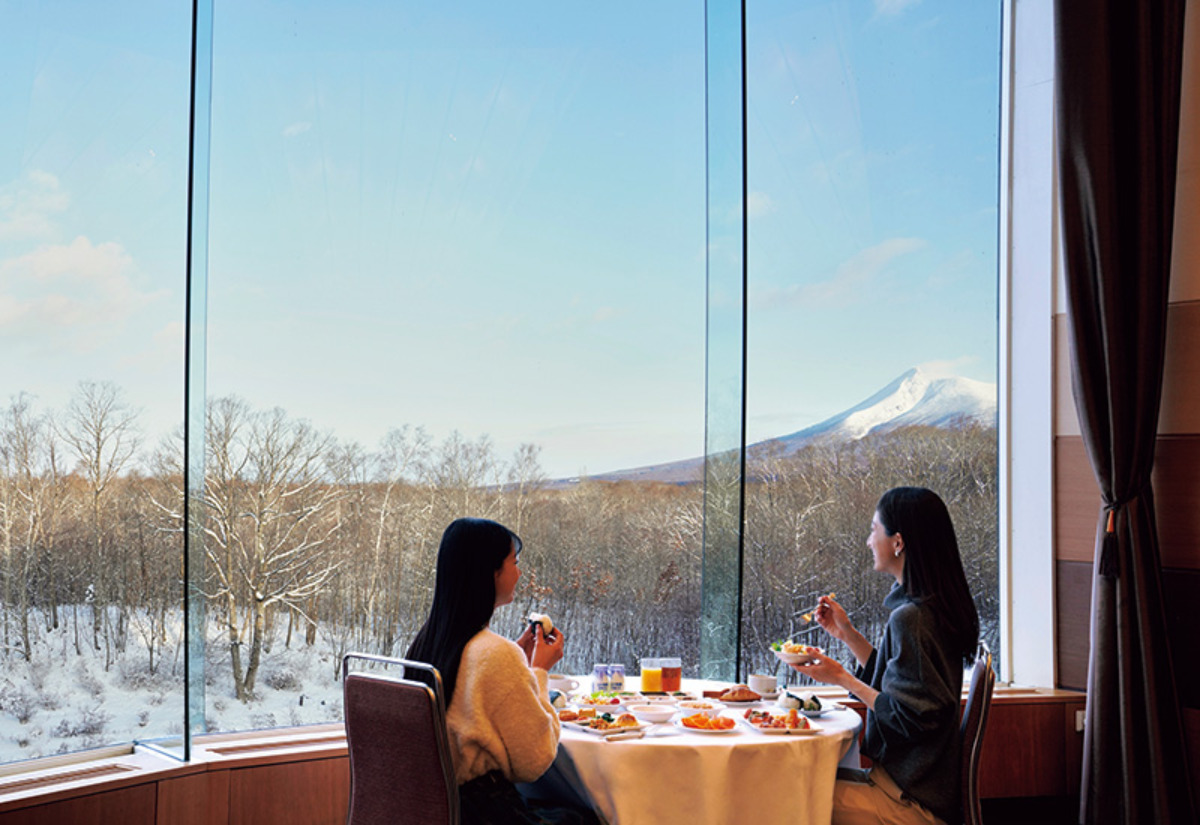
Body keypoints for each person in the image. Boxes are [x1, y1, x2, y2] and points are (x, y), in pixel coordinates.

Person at [792, 487, 979, 825]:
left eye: (874, 529)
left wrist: (841, 678)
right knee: (794, 784)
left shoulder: (914, 618)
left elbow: (909, 717)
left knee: (785, 797)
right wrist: (847, 634)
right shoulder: (925, 609)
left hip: (910, 804)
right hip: (905, 789)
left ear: (898, 542)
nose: (868, 541)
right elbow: (901, 681)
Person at [405, 517, 599, 825]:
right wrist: (538, 670)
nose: (519, 572)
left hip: (440, 810)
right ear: (491, 573)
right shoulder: (495, 653)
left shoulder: (428, 642)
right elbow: (536, 761)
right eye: (514, 562)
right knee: (587, 816)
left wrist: (518, 661)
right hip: (487, 814)